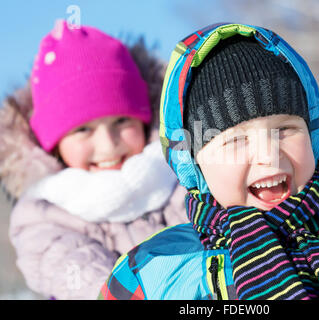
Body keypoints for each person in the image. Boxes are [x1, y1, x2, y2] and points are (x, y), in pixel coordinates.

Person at [99, 23, 319, 300]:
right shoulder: (157, 269)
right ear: (194, 165)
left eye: (284, 129)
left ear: (313, 135)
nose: (268, 155)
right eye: (236, 140)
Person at [0, 20, 187, 299]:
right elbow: (75, 269)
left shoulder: (180, 176)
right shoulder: (44, 216)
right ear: (54, 145)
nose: (108, 144)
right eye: (83, 129)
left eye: (122, 120)